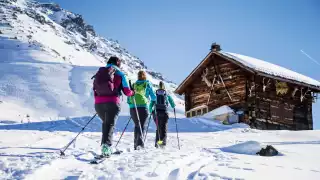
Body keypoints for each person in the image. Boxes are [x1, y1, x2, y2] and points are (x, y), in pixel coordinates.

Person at [93, 56, 134, 156]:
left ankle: (105, 147)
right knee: (109, 124)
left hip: (98, 104)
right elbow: (127, 92)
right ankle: (106, 147)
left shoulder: (101, 73)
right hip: (112, 102)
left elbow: (95, 88)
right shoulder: (120, 74)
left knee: (106, 124)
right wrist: (133, 92)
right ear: (118, 64)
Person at [127, 70, 156, 150]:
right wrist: (152, 104)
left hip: (133, 107)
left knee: (137, 125)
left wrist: (131, 104)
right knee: (142, 125)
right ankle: (139, 146)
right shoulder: (147, 84)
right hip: (143, 106)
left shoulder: (133, 85)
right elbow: (153, 97)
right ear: (145, 76)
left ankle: (136, 145)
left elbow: (128, 97)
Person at [150, 81, 175, 148]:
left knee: (158, 128)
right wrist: (173, 106)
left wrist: (151, 111)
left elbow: (151, 105)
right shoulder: (166, 94)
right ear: (164, 87)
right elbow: (173, 104)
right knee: (163, 129)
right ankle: (162, 144)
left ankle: (157, 144)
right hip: (164, 114)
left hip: (156, 114)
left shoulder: (155, 95)